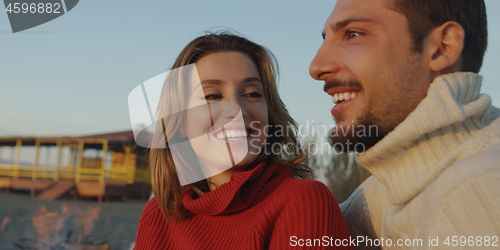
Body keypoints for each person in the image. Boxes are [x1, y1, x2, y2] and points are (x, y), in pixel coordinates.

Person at [134, 32, 353, 249]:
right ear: (180, 120)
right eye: (212, 96)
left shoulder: (303, 203)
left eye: (252, 93)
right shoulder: (158, 217)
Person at [309, 0, 500, 249]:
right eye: (326, 39)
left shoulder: (474, 189)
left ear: (443, 47)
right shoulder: (378, 195)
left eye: (353, 34)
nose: (317, 67)